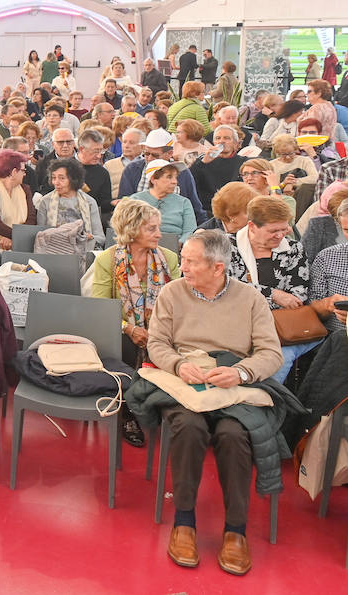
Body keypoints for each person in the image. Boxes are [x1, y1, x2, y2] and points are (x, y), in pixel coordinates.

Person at [140, 230, 281, 576]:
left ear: (217, 268)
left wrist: (242, 373)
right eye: (183, 258)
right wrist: (177, 364)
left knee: (235, 435)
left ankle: (236, 531)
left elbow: (270, 353)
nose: (182, 266)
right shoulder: (172, 293)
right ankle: (184, 521)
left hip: (232, 383)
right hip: (184, 379)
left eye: (190, 261)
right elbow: (157, 343)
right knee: (188, 427)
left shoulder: (250, 299)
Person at [85, 197, 182, 446]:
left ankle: (162, 406)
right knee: (125, 346)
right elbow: (100, 307)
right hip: (120, 329)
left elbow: (179, 304)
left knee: (169, 345)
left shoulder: (169, 259)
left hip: (161, 328)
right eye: (151, 228)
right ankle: (128, 411)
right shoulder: (107, 260)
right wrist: (129, 328)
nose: (159, 234)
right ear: (131, 229)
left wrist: (158, 331)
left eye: (158, 228)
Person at [230, 195, 312, 383]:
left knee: (280, 357)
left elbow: (298, 294)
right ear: (252, 226)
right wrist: (273, 294)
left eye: (284, 229)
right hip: (237, 322)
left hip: (280, 328)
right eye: (273, 230)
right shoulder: (228, 247)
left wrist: (256, 296)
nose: (280, 235)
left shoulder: (293, 249)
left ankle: (269, 402)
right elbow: (227, 287)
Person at [35, 157, 103, 250]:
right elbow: (40, 235)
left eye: (62, 178)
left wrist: (85, 237)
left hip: (83, 249)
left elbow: (100, 238)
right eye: (54, 178)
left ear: (73, 179)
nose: (56, 182)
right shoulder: (45, 201)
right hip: (53, 250)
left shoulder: (89, 202)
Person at [133, 160, 198, 242]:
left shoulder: (184, 202)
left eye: (175, 177)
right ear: (153, 179)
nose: (175, 182)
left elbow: (190, 231)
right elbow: (126, 228)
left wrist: (178, 244)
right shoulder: (135, 201)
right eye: (169, 177)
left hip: (175, 247)